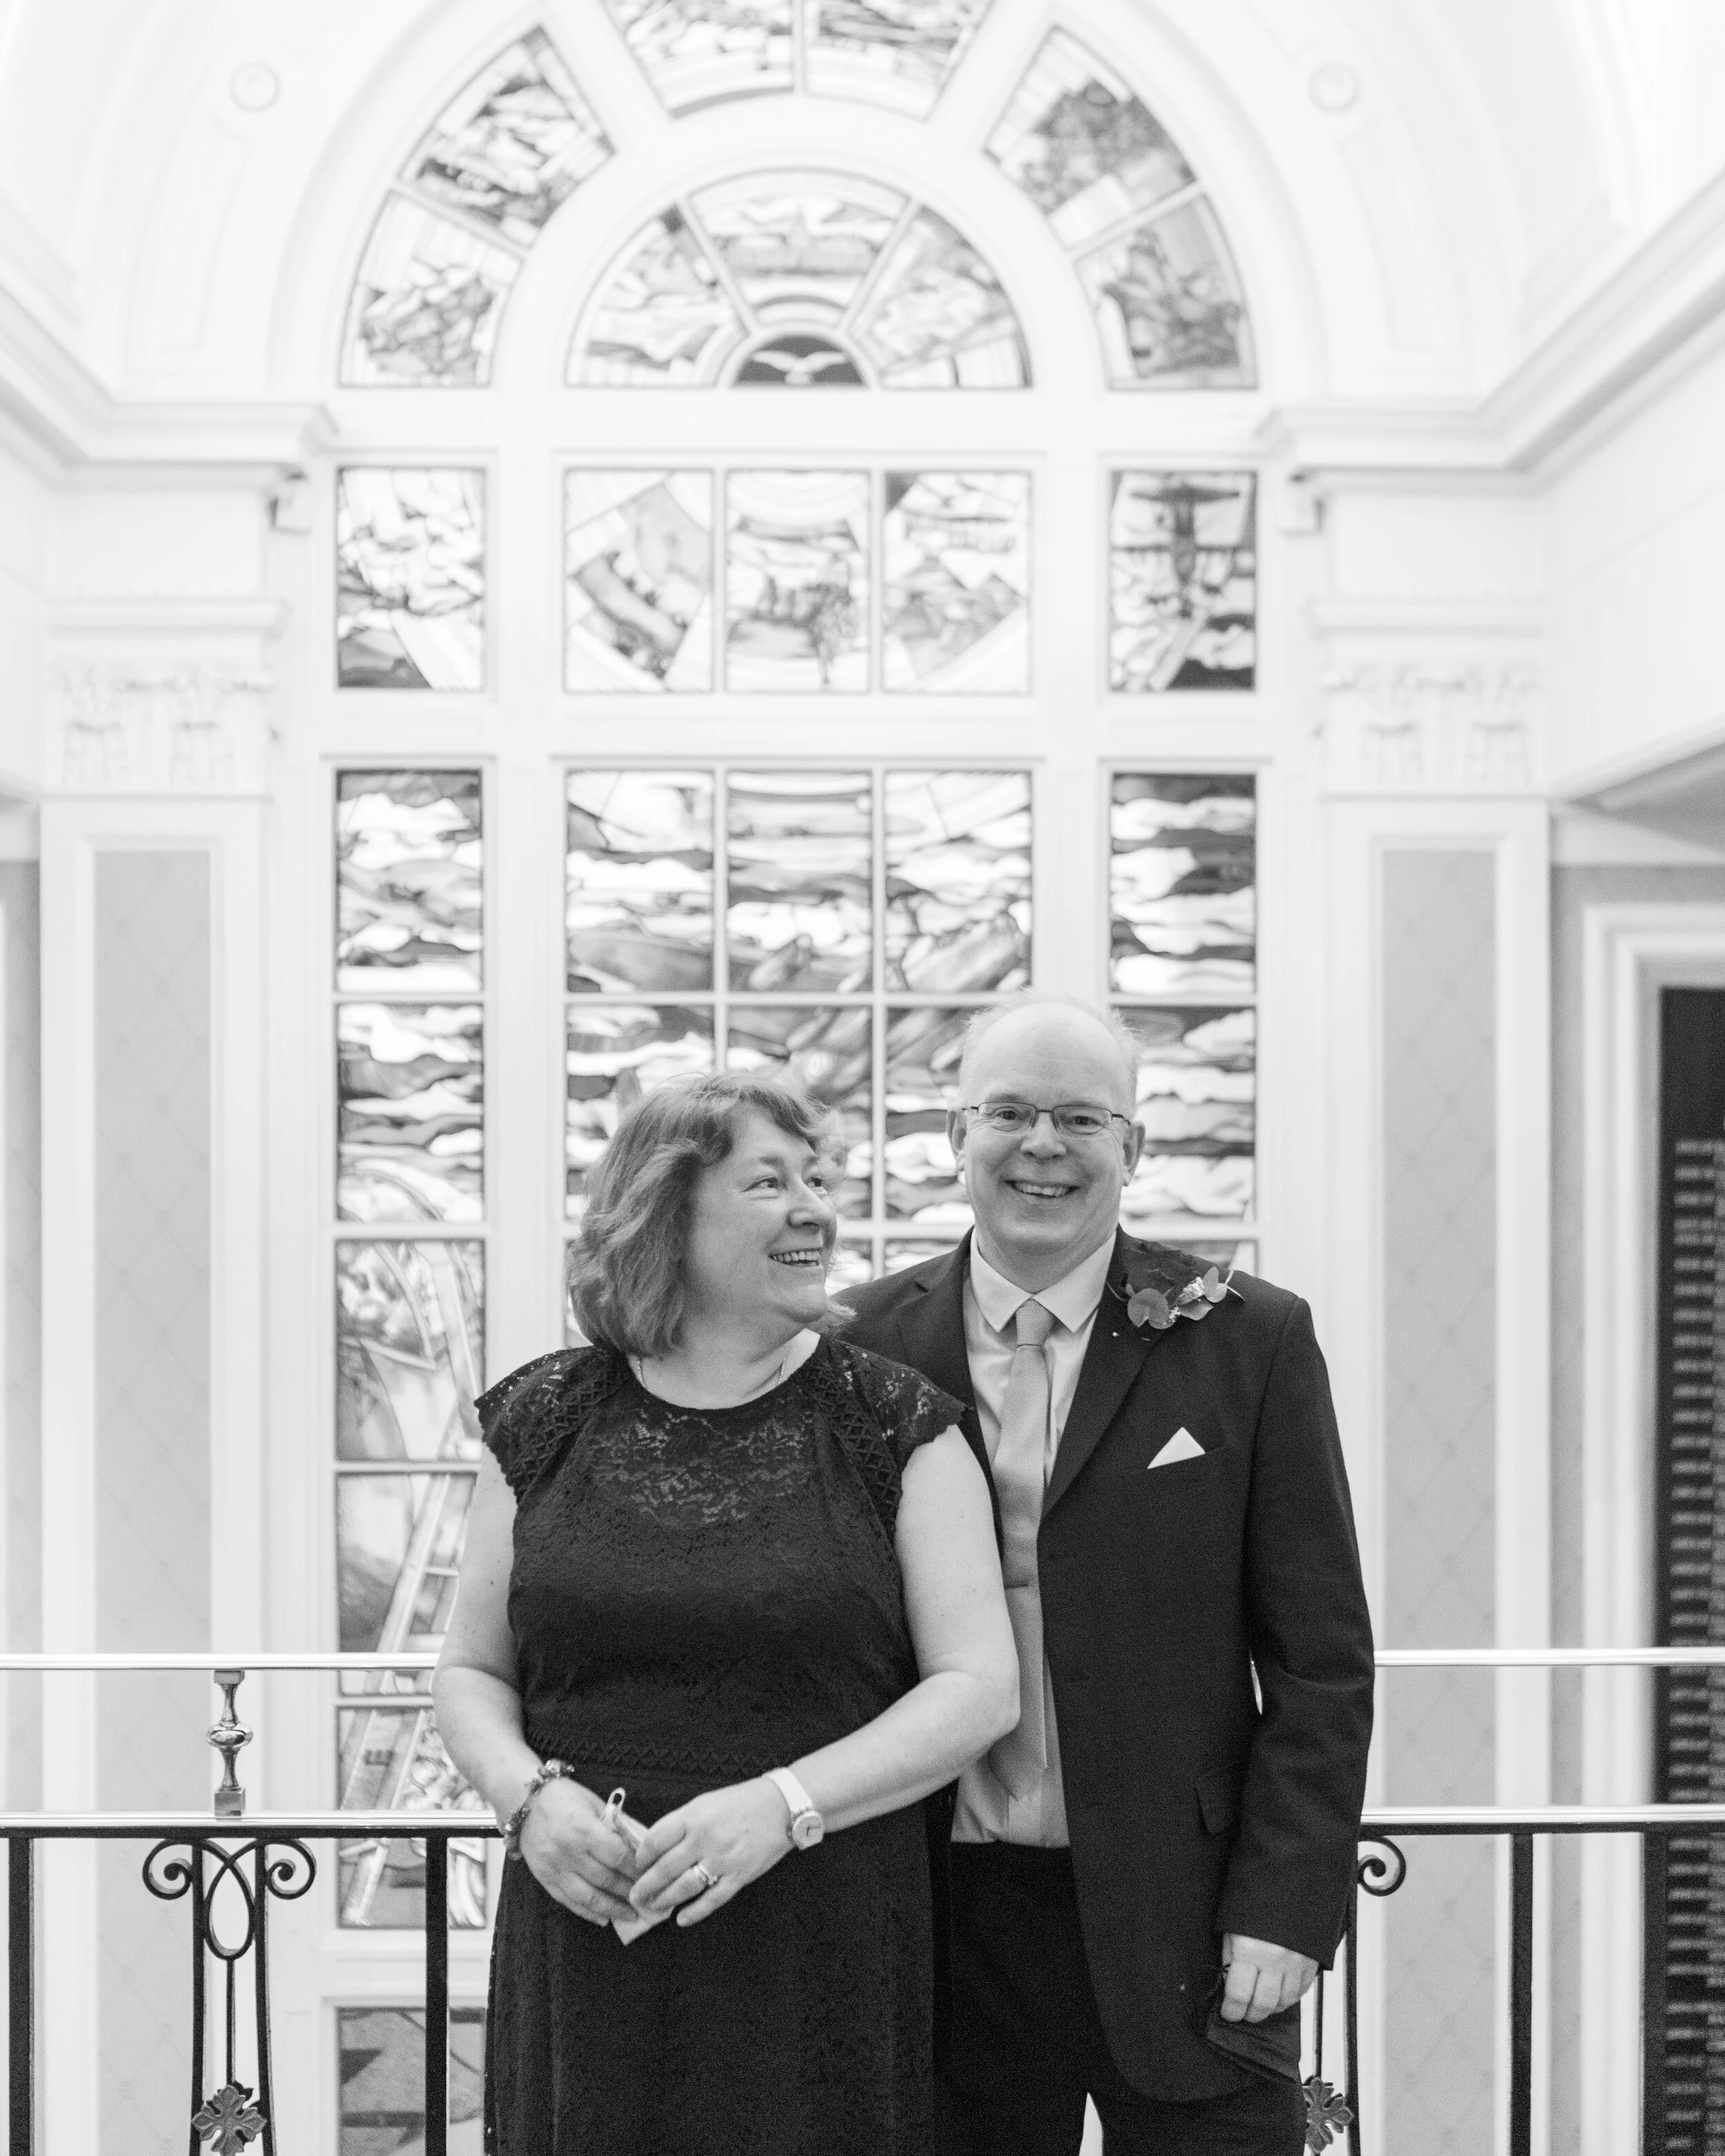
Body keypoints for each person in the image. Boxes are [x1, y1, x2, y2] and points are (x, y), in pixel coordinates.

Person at [433, 1072, 1018, 2156]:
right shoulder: (541, 1419)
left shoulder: (897, 1428)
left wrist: (782, 1805)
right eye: (770, 1182)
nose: (816, 1208)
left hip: (818, 1939)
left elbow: (980, 1689)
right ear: (669, 1214)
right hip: (587, 1936)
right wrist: (530, 1805)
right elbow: (470, 1670)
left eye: (818, 1179)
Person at [843, 994, 1374, 2156]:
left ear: (1134, 1147)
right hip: (938, 1917)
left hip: (1190, 1924)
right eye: (1011, 1113)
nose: (1043, 1145)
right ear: (955, 1134)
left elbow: (1321, 1661)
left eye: (1082, 1117)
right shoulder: (854, 1345)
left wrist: (1287, 1908)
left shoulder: (1250, 1340)